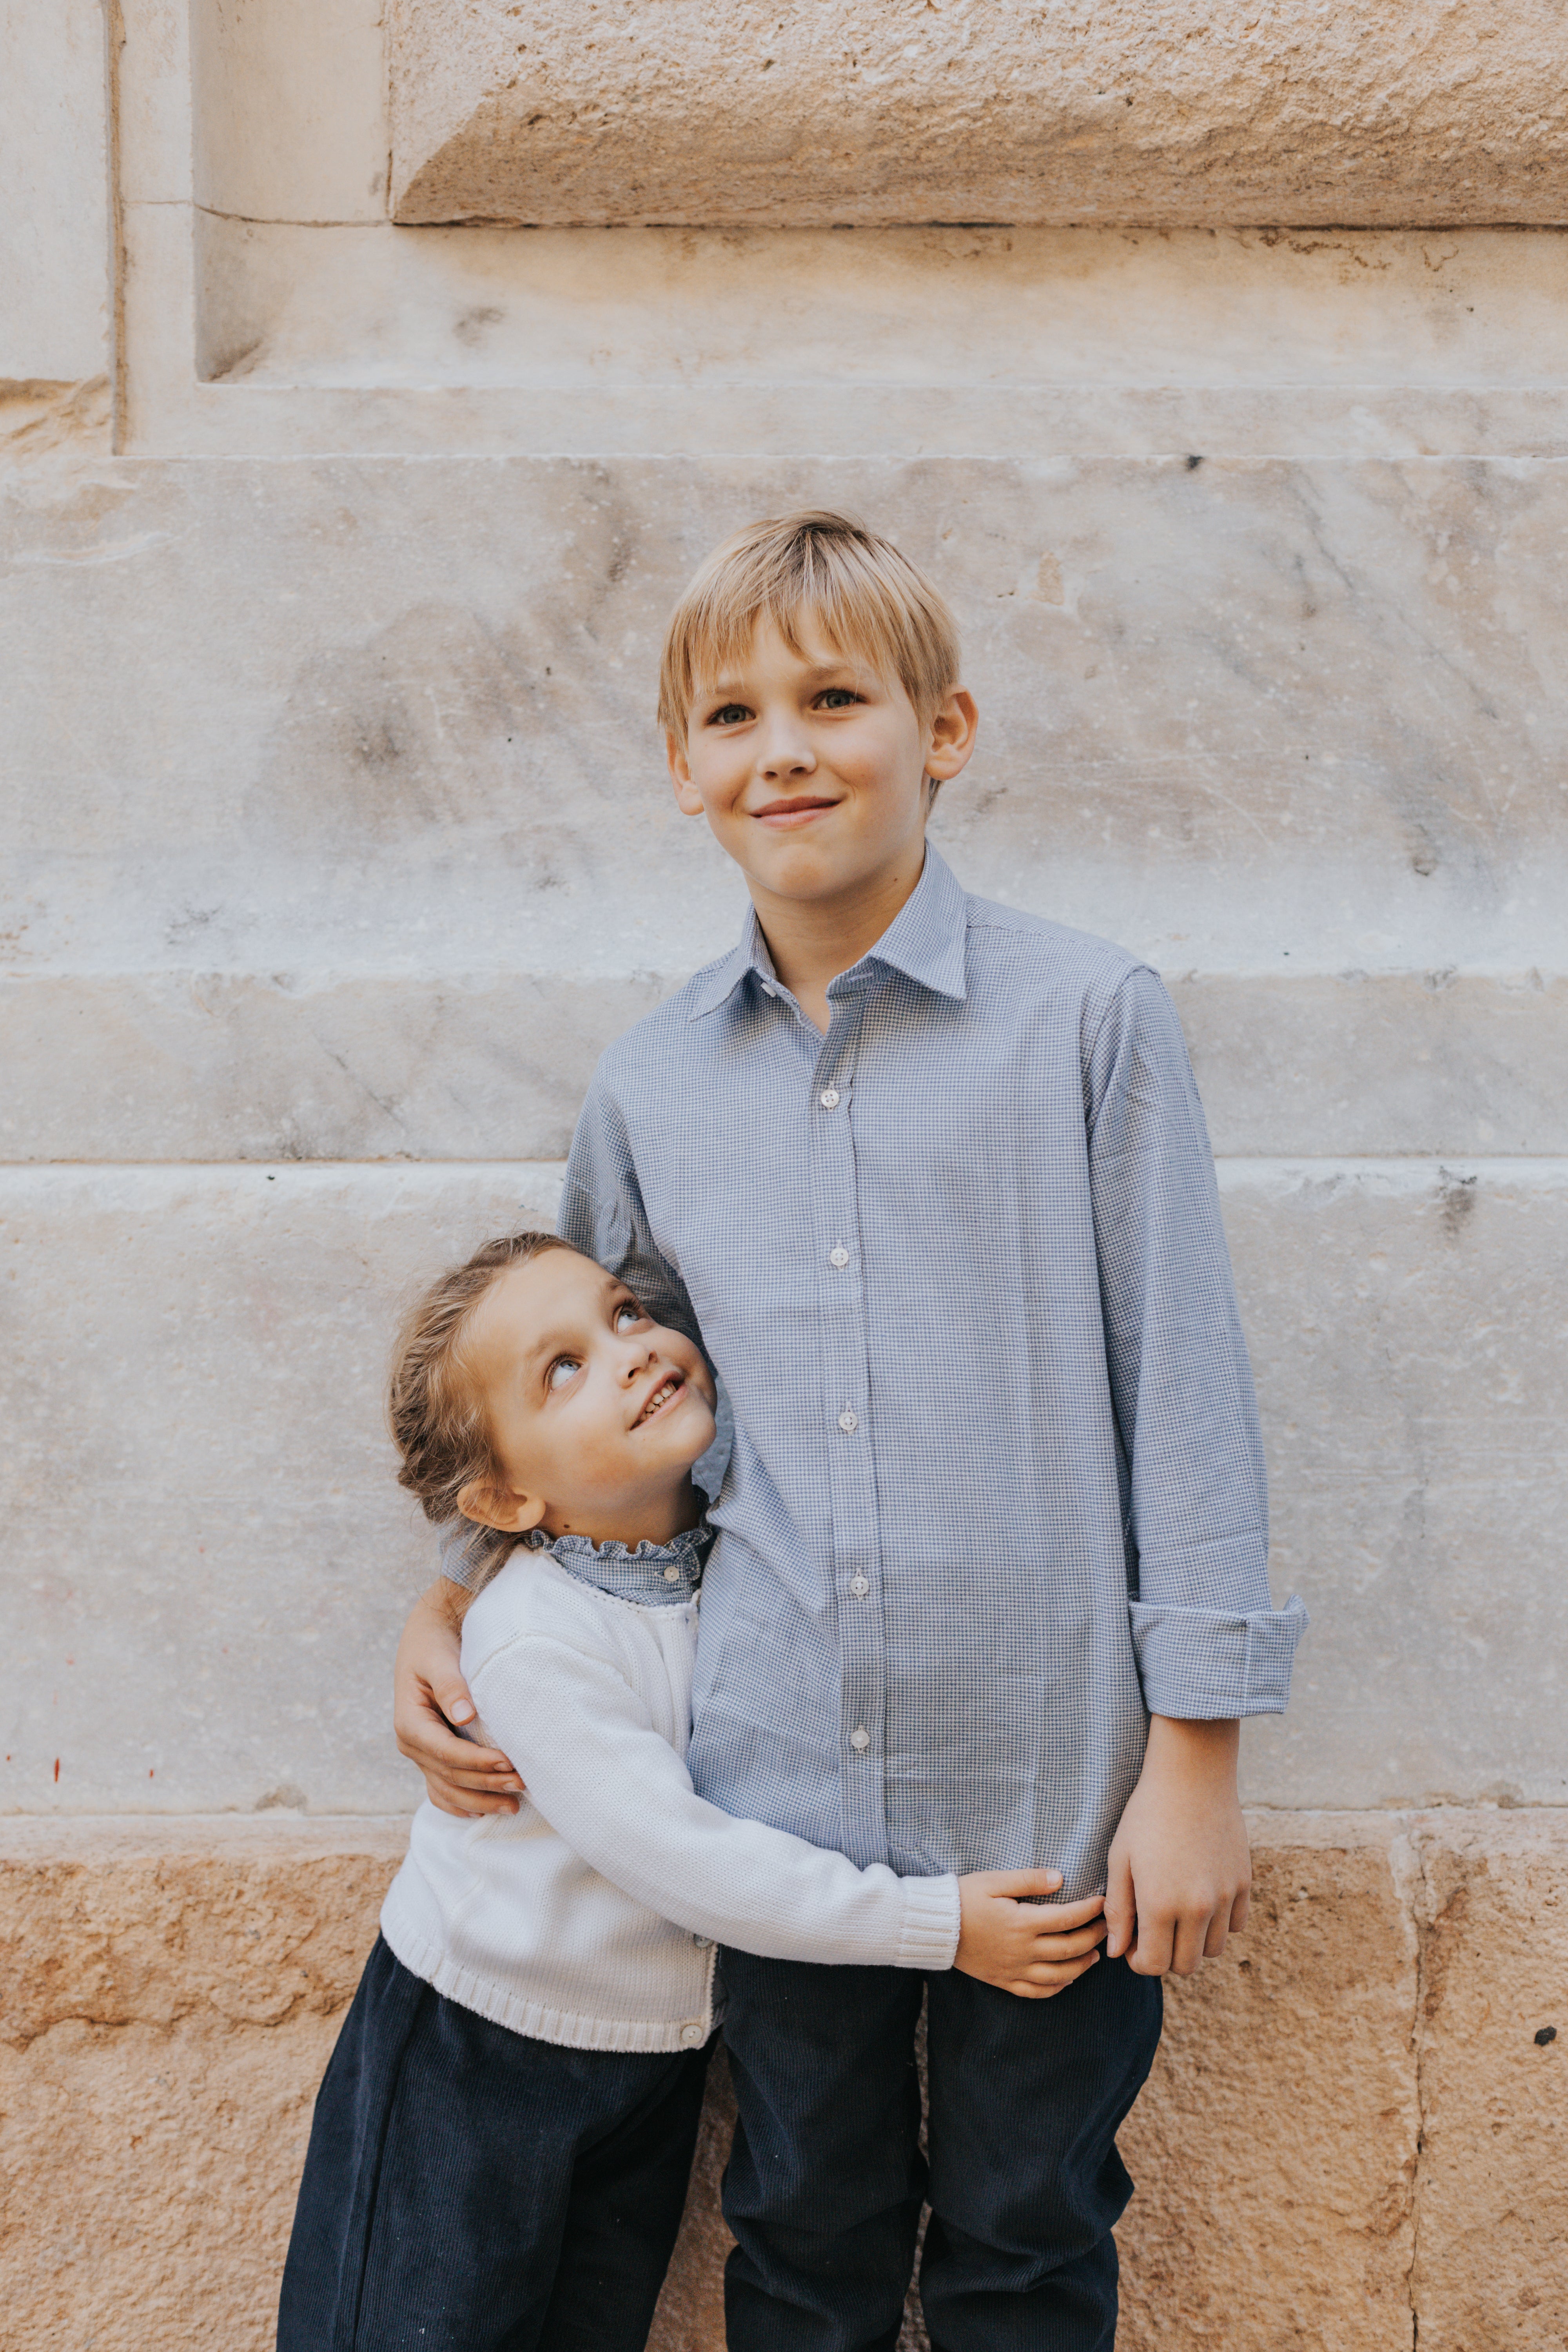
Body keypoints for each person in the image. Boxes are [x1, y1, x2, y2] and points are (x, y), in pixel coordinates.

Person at [394, 512, 1308, 2350]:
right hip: (779, 1789)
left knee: (1028, 2234)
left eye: (832, 699)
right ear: (682, 773)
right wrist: (459, 1596)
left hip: (1054, 1800)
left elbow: (1183, 1389)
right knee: (800, 2232)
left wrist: (1194, 1756)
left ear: (943, 729)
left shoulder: (1089, 1022)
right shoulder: (653, 1083)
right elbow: (585, 1398)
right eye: (731, 716)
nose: (783, 748)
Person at [279, 1230, 1110, 2352]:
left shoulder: (736, 1570)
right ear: (506, 1496)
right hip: (476, 2055)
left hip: (650, 2068)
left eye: (625, 1314)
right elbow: (689, 1858)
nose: (629, 1352)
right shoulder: (532, 1639)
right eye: (560, 1369)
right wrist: (939, 1925)